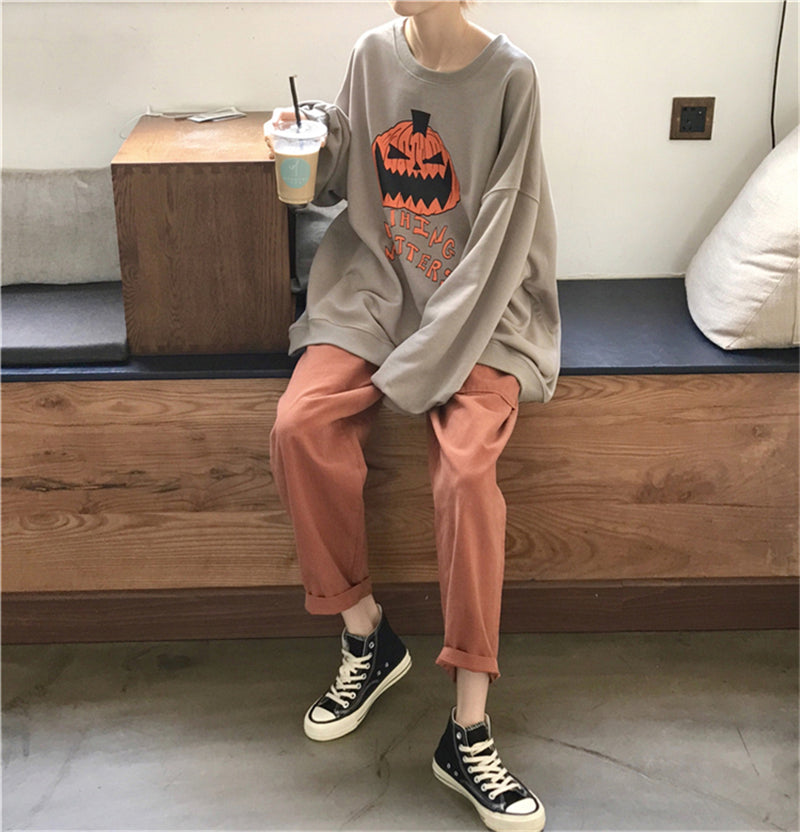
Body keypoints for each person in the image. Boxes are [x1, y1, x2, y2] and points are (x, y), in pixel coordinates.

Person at [266, 2, 559, 830]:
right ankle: (367, 634)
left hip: (483, 305)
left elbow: (505, 234)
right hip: (378, 286)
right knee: (299, 426)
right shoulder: (371, 54)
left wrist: (423, 364)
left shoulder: (511, 77)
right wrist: (315, 137)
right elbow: (341, 177)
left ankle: (468, 728)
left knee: (466, 474)